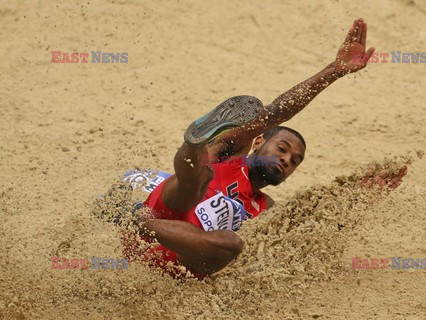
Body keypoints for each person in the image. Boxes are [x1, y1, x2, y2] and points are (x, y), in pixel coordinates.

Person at [119, 18, 407, 279]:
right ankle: (194, 140)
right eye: (282, 149)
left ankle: (137, 213)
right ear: (258, 142)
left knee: (232, 244)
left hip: (179, 264)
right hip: (157, 220)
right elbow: (277, 112)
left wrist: (361, 198)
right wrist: (333, 71)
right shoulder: (231, 154)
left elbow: (313, 233)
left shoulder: (266, 208)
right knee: (201, 172)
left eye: (295, 161)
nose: (286, 159)